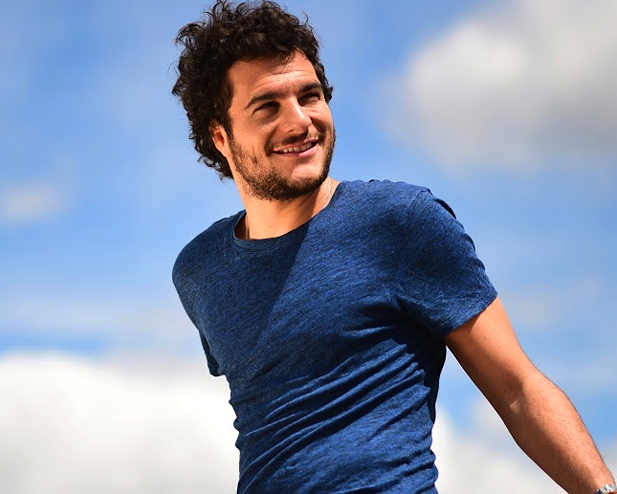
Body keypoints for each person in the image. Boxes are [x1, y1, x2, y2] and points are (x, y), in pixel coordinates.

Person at [171, 1, 615, 493]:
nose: (300, 122)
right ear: (221, 136)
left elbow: (516, 386)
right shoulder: (200, 270)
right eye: (268, 106)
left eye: (310, 96)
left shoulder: (400, 221)